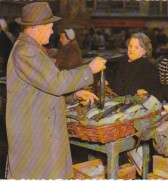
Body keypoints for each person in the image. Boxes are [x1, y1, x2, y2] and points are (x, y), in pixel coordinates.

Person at [5, 2, 106, 179]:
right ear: (36, 27)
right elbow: (55, 82)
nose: (52, 32)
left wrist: (73, 94)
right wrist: (89, 69)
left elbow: (43, 88)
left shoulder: (33, 49)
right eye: (50, 27)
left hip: (40, 129)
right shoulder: (26, 51)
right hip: (34, 134)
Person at [109, 32, 163, 101]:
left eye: (136, 47)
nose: (132, 50)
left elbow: (158, 95)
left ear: (145, 51)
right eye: (130, 46)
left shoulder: (151, 70)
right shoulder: (120, 63)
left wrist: (147, 95)